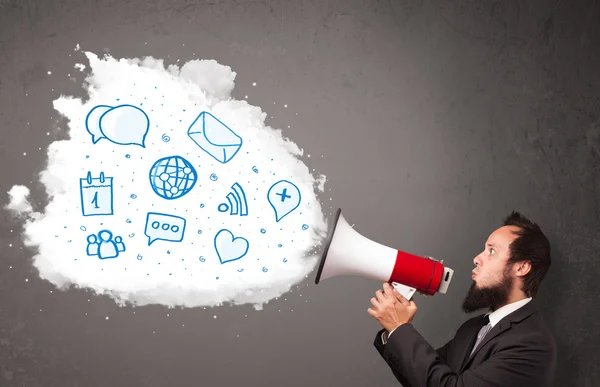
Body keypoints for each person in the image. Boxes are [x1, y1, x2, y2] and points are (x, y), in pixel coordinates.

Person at [368, 211, 557, 387]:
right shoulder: (474, 328)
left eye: (492, 251)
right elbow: (421, 379)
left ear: (522, 267)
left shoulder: (532, 344)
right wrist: (392, 330)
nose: (476, 258)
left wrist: (400, 328)